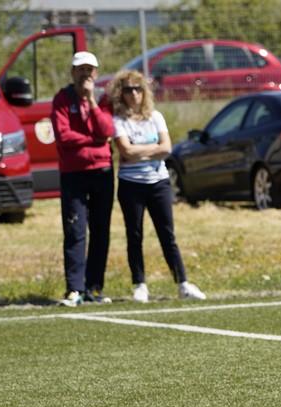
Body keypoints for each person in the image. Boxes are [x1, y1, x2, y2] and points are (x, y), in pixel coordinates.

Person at [109, 70, 205, 303]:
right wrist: (151, 150)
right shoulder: (118, 121)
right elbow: (126, 151)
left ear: (144, 92)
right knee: (135, 235)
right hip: (131, 185)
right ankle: (140, 284)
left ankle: (183, 283)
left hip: (159, 183)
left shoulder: (156, 117)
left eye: (138, 89)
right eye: (128, 89)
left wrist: (140, 151)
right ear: (121, 94)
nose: (134, 94)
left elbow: (166, 148)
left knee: (167, 234)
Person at [52, 51, 115, 306]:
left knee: (101, 230)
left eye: (89, 70)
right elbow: (63, 136)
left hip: (102, 171)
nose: (85, 74)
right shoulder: (62, 99)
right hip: (73, 173)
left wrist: (91, 101)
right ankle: (74, 289)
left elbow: (107, 129)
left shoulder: (103, 98)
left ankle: (94, 288)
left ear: (96, 73)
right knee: (75, 230)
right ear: (73, 72)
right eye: (80, 70)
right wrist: (94, 140)